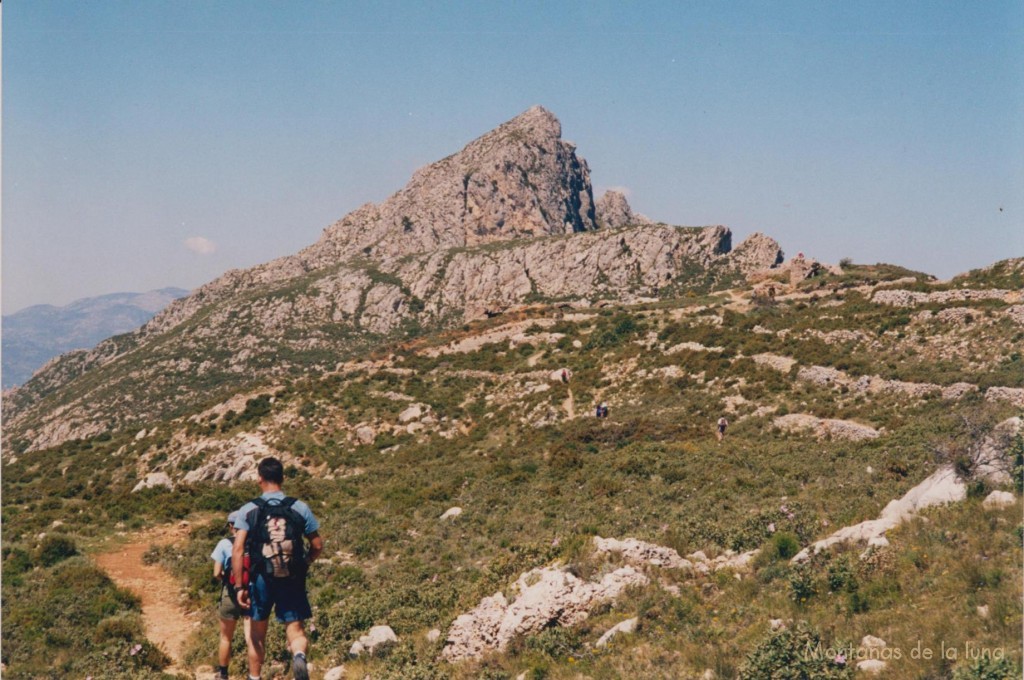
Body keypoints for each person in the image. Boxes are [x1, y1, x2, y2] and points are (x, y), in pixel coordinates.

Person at [232, 458, 324, 680]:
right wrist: (305, 563)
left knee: (256, 636)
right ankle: (299, 655)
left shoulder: (249, 510)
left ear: (259, 479)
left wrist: (239, 586)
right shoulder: (299, 507)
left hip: (261, 577)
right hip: (291, 576)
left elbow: (237, 549)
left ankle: (254, 677)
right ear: (283, 478)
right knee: (296, 630)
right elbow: (317, 545)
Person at [211, 511, 251, 680]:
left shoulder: (224, 544)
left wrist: (228, 581)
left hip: (231, 592)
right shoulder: (253, 543)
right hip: (251, 592)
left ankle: (223, 674)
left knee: (226, 637)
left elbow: (216, 573)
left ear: (230, 526)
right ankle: (254, 673)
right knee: (252, 636)